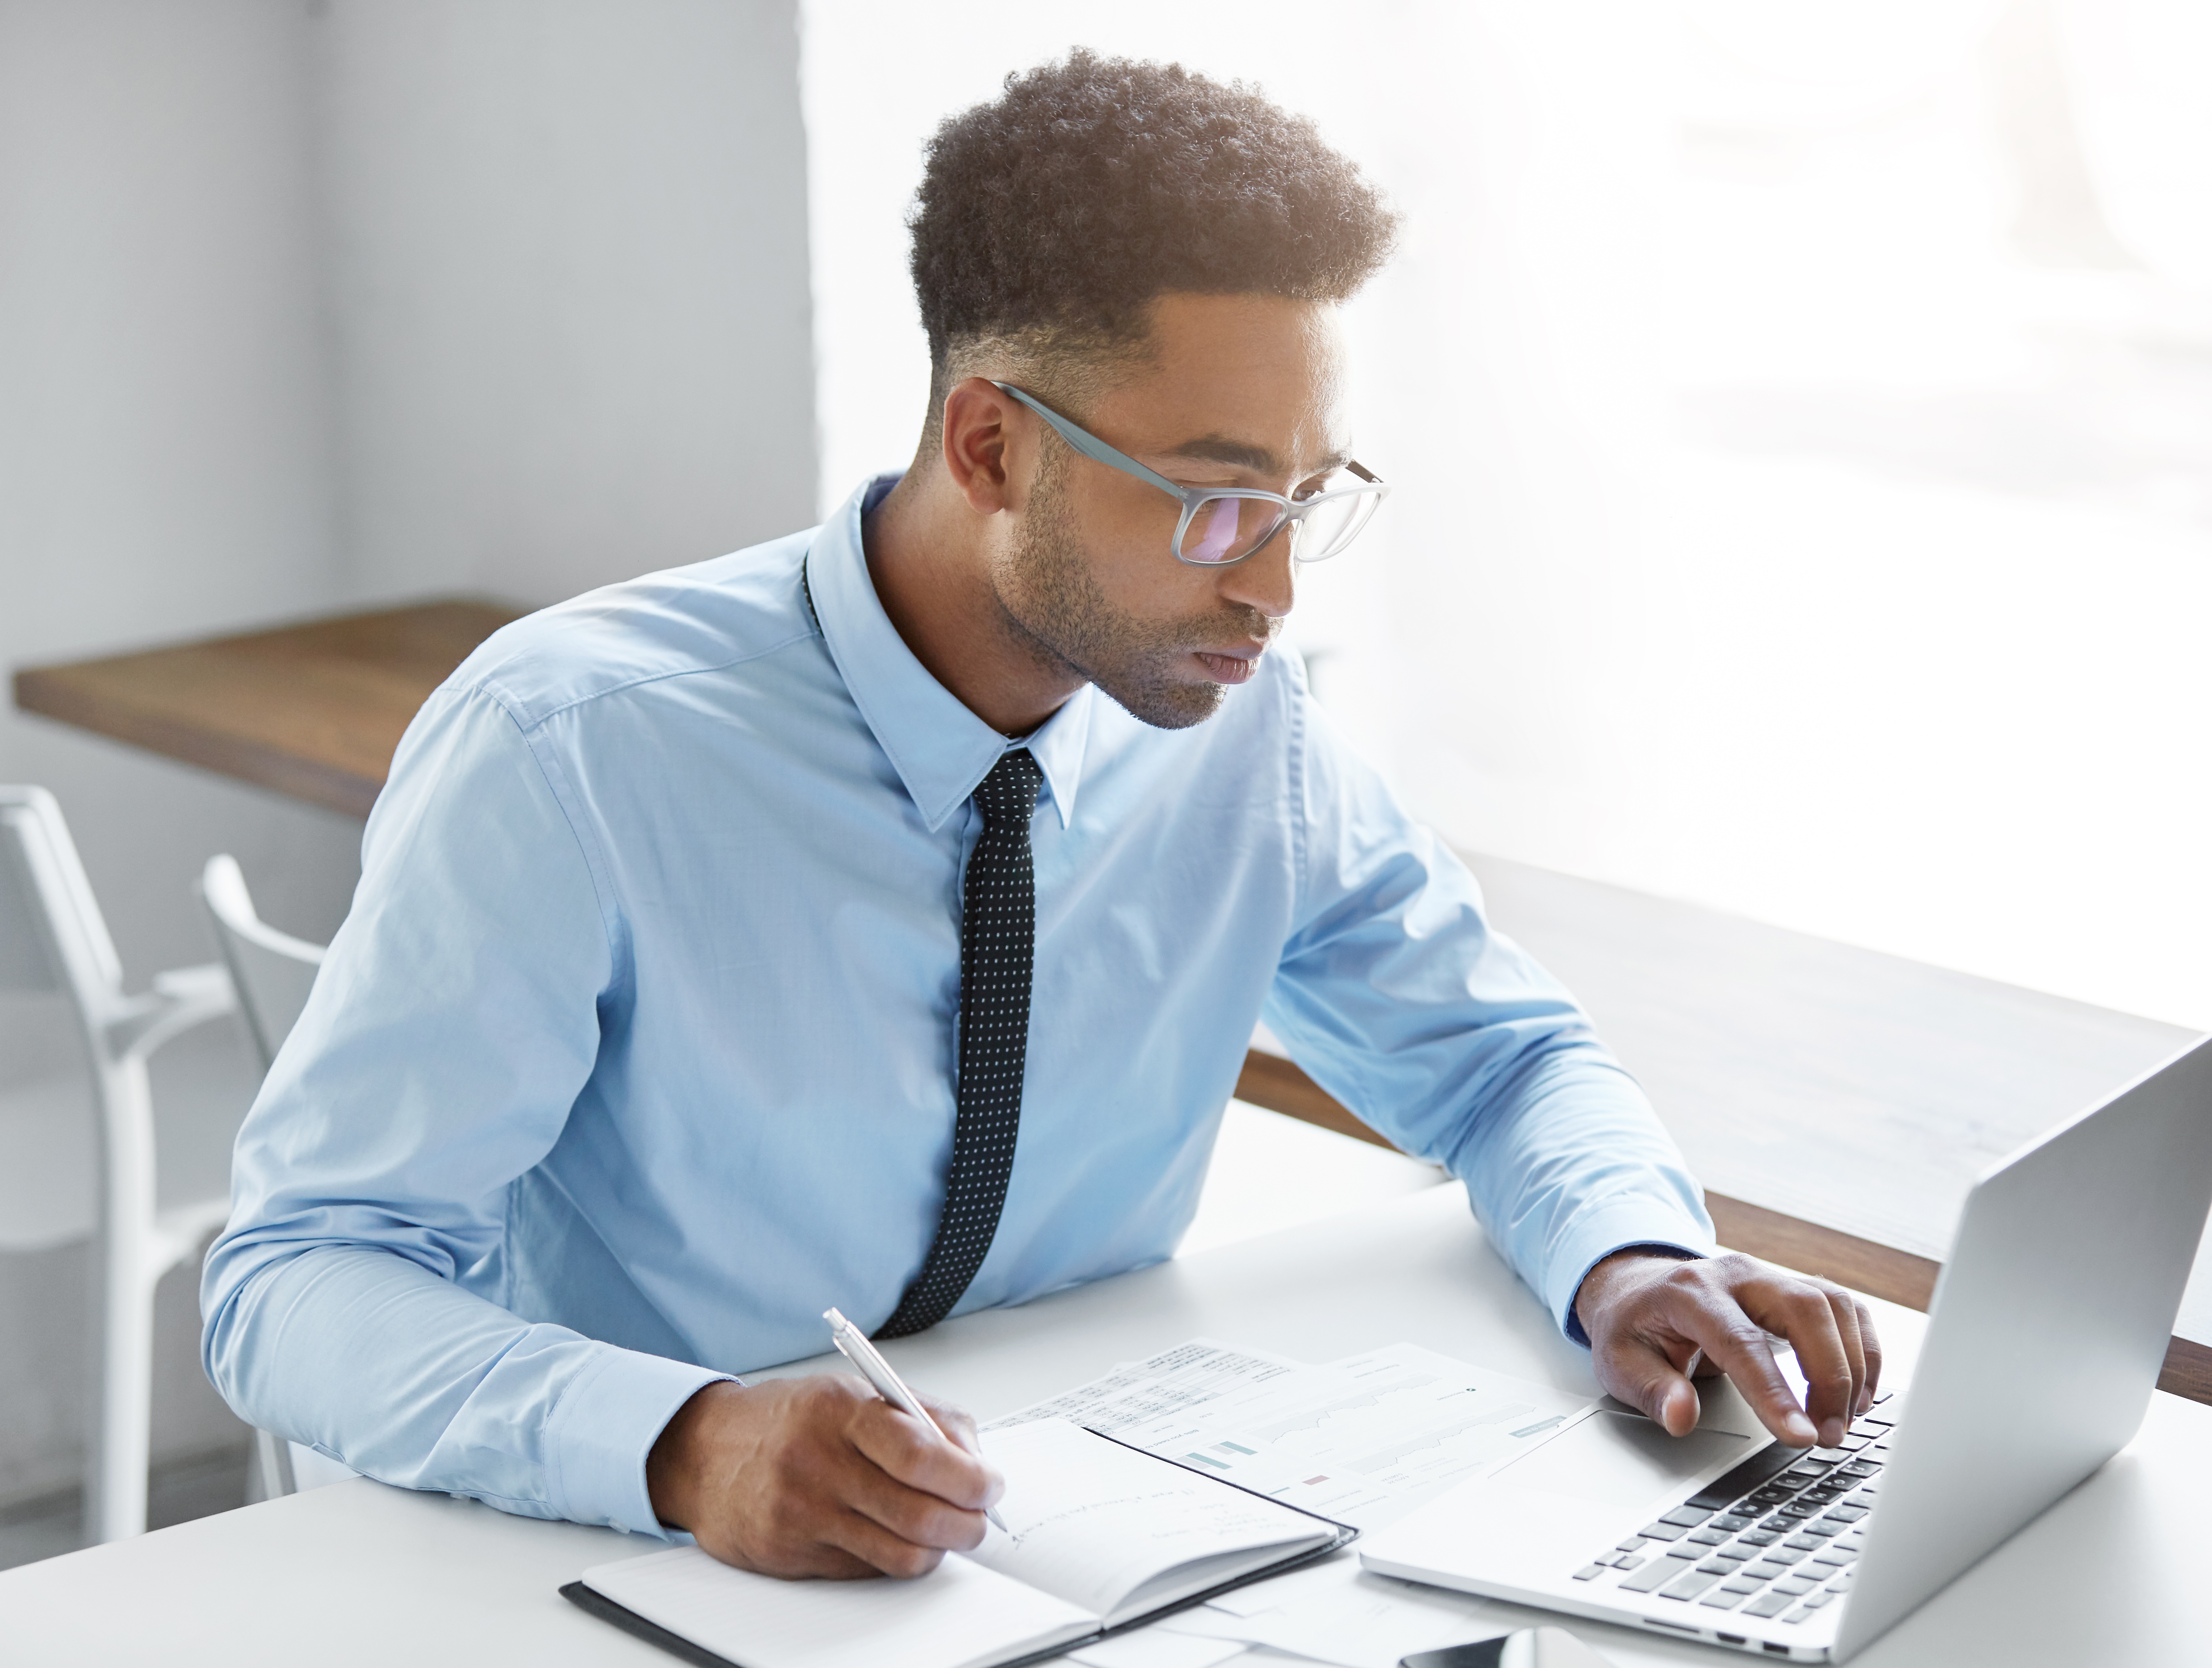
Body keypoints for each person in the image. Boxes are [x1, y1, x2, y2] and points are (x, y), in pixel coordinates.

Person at [204, 51, 1880, 1583]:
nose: (1280, 587)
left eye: (1308, 499)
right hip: (639, 1565)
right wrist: (687, 1439)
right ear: (993, 443)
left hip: (1097, 1541)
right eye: (1222, 502)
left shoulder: (1234, 724)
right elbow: (297, 1278)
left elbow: (1501, 1060)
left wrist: (1632, 1257)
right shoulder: (573, 746)